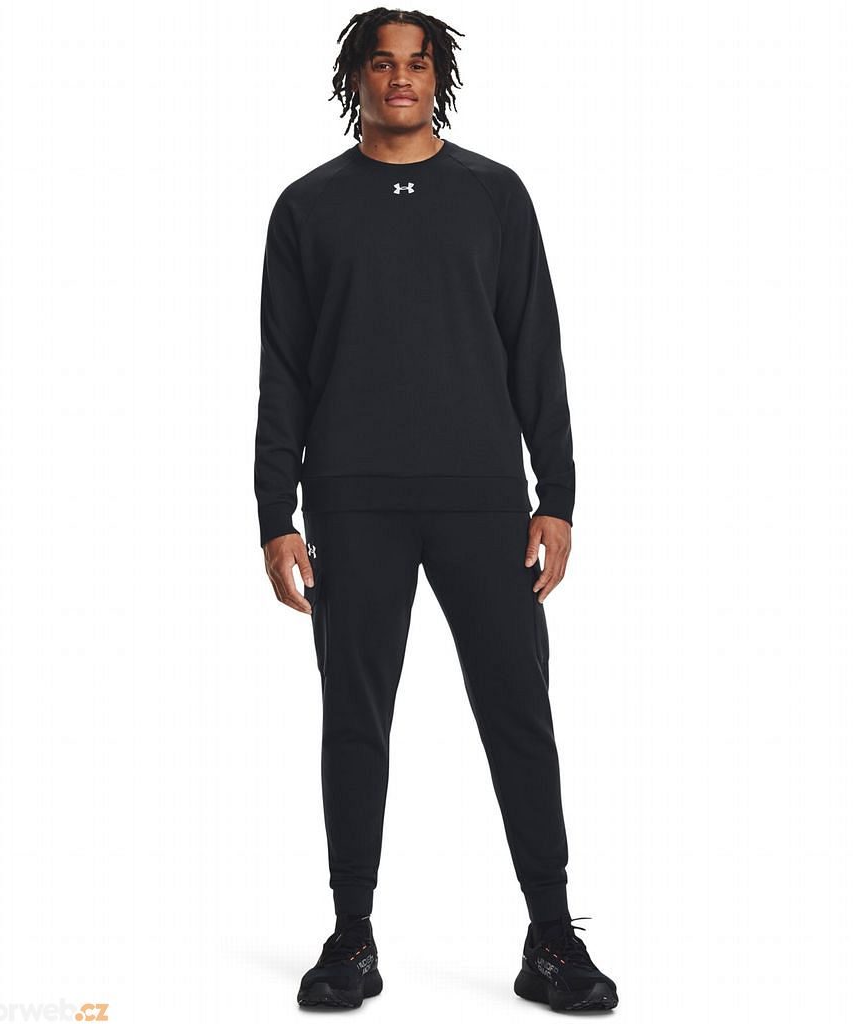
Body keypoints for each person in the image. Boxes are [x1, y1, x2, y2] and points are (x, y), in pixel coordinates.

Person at [254, 8, 619, 1013]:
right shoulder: (307, 208)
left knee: (519, 715)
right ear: (357, 79)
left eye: (417, 63)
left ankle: (552, 938)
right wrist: (275, 513)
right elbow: (282, 372)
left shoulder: (495, 195)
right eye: (382, 64)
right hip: (351, 503)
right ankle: (351, 936)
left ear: (438, 77)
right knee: (354, 720)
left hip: (482, 501)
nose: (400, 79)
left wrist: (558, 496)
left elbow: (535, 348)